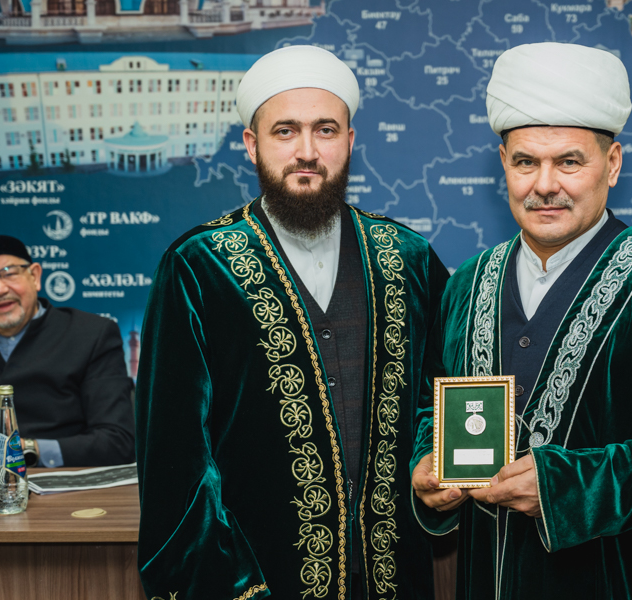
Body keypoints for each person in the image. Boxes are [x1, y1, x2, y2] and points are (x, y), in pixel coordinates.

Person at [410, 42, 632, 599]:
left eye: (569, 162)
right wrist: (427, 465)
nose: (545, 184)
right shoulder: (466, 283)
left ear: (612, 163)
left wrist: (569, 486)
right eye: (526, 162)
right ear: (503, 164)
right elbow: (432, 406)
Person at [135, 45, 449, 600]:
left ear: (349, 141)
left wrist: (432, 457)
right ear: (251, 145)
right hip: (259, 577)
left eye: (325, 130)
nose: (307, 151)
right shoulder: (199, 267)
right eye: (285, 131)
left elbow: (440, 394)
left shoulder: (408, 256)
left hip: (394, 572)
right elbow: (176, 454)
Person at [0, 234, 135, 468]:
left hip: (68, 483)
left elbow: (118, 442)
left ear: (35, 276)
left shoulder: (92, 334)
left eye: (9, 273)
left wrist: (21, 450)